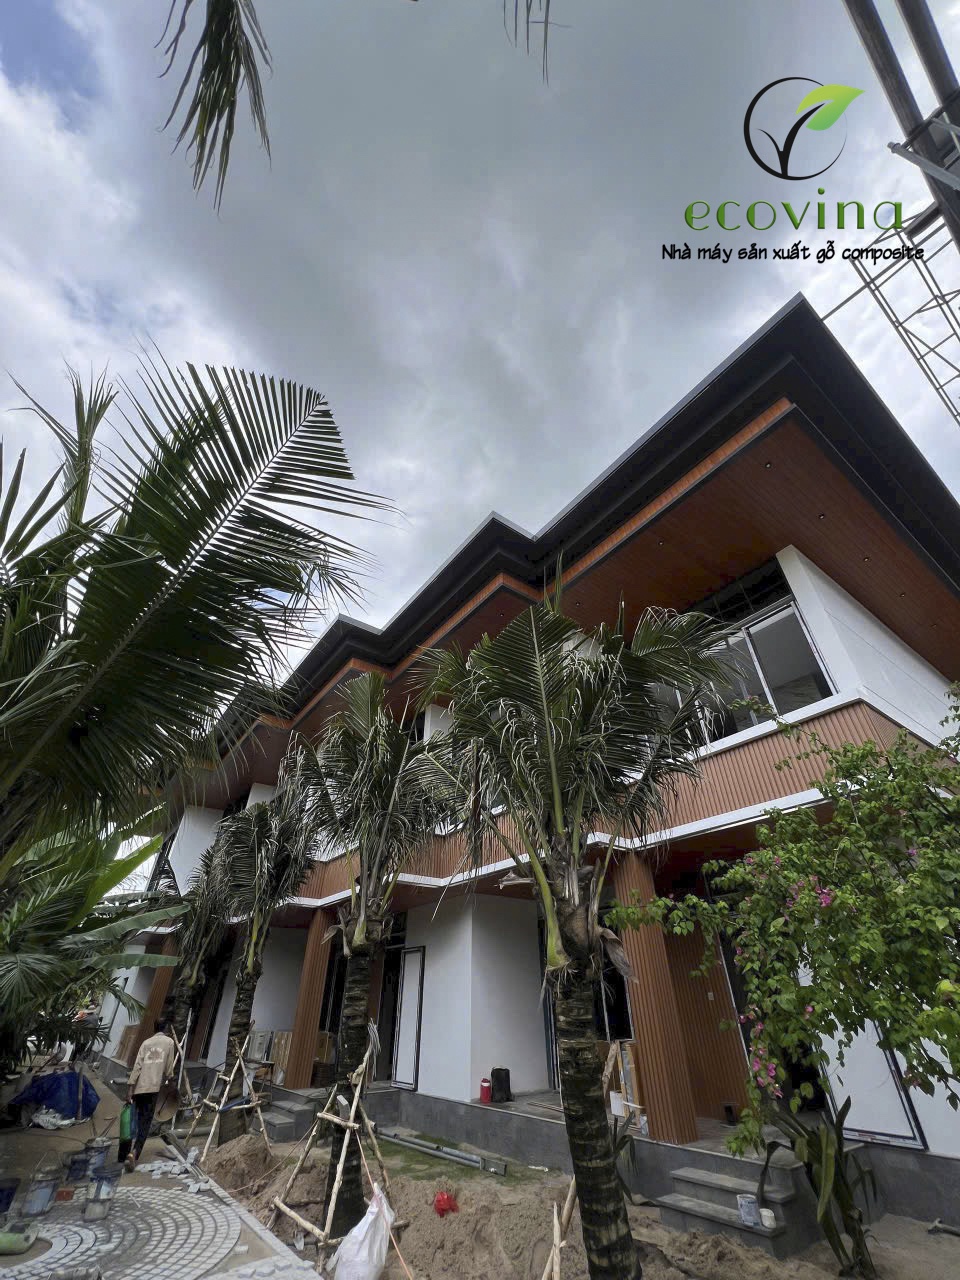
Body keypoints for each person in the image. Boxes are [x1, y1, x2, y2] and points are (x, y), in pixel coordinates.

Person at [123, 1019, 176, 1171]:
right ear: (166, 1028)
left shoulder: (146, 1043)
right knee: (145, 1123)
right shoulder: (169, 1042)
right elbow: (169, 1067)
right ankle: (134, 1153)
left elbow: (137, 1067)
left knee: (135, 1120)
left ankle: (127, 1151)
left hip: (139, 1088)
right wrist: (171, 1083)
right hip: (153, 1089)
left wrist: (130, 1089)